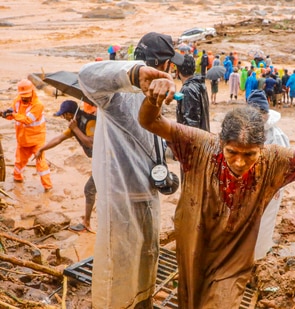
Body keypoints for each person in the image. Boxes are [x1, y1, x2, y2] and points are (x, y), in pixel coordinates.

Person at [137, 76, 295, 308]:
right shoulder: (198, 144)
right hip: (194, 243)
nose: (240, 162)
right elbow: (150, 122)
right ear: (221, 142)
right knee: (190, 299)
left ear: (261, 149)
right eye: (232, 152)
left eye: (249, 155)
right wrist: (153, 100)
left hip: (234, 256)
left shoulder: (274, 159)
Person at [78, 31, 184, 309]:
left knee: (147, 260)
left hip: (148, 195)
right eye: (169, 64)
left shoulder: (156, 97)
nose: (171, 70)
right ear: (162, 65)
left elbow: (153, 141)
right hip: (119, 198)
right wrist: (135, 74)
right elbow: (87, 76)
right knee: (116, 270)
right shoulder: (114, 96)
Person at [35, 100, 96, 232]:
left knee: (89, 189)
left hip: (108, 160)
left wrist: (75, 129)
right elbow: (58, 139)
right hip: (99, 161)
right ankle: (89, 221)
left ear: (70, 114)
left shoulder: (90, 122)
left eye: (64, 115)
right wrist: (42, 149)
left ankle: (88, 222)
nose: (63, 118)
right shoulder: (75, 123)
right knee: (93, 190)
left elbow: (90, 143)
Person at [246, 90, 290, 259]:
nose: (259, 117)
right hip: (245, 188)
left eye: (262, 113)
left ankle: (258, 258)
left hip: (269, 190)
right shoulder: (241, 130)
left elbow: (285, 165)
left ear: (266, 113)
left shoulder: (277, 136)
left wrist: (276, 185)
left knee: (263, 225)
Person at [1, 79, 52, 192]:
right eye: (23, 96)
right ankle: (17, 179)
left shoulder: (38, 105)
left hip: (36, 140)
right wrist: (5, 114)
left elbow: (28, 120)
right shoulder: (17, 101)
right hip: (22, 139)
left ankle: (47, 186)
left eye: (27, 96)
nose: (24, 98)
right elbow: (13, 115)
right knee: (19, 162)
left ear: (32, 92)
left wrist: (13, 115)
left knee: (41, 164)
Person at [175, 53, 210, 131]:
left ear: (178, 71)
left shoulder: (188, 90)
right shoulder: (199, 84)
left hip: (195, 140)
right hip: (203, 137)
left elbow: (190, 126)